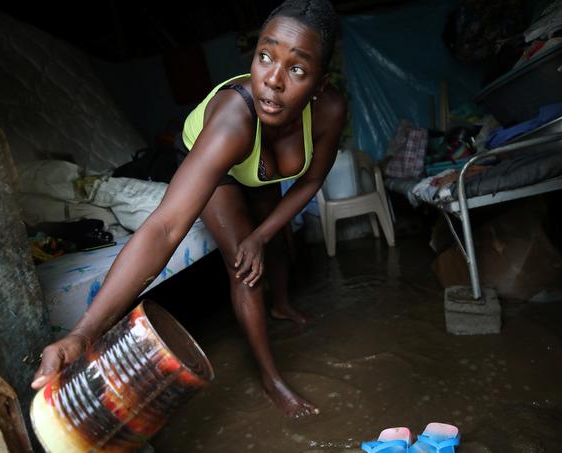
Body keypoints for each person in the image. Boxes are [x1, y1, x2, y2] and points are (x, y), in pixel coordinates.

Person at [31, 0, 346, 419]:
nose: (272, 80)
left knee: (274, 239)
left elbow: (310, 181)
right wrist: (84, 334)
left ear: (320, 85)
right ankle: (272, 380)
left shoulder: (330, 110)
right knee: (243, 265)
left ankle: (282, 303)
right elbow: (164, 226)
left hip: (260, 171)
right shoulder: (234, 120)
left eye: (297, 70)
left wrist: (264, 232)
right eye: (265, 56)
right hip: (217, 164)